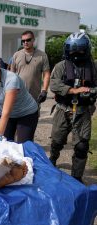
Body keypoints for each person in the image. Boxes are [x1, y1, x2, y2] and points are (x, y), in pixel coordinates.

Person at [49, 32, 97, 183]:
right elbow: (54, 84)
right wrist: (74, 91)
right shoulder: (61, 66)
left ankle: (77, 177)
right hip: (63, 109)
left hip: (83, 112)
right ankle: (52, 162)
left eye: (80, 50)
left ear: (86, 49)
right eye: (72, 49)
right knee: (57, 141)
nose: (75, 53)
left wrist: (92, 91)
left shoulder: (93, 67)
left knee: (82, 146)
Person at [11, 30, 51, 104]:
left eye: (28, 40)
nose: (25, 42)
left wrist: (44, 91)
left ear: (33, 40)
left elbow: (46, 74)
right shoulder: (16, 55)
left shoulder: (42, 55)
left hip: (35, 95)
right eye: (23, 41)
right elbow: (11, 74)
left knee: (34, 115)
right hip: (19, 94)